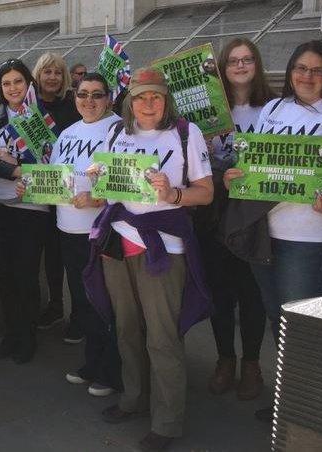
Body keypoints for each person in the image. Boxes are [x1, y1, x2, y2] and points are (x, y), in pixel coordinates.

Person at [223, 40, 322, 422]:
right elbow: (253, 162)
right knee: (278, 316)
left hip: (311, 235)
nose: (307, 76)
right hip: (264, 228)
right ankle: (291, 398)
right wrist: (235, 175)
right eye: (300, 68)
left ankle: (310, 407)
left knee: (301, 321)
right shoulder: (273, 108)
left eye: (317, 70)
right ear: (290, 71)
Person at [86, 67, 213, 450]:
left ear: (166, 100)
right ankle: (133, 397)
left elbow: (205, 193)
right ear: (129, 101)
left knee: (161, 337)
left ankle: (167, 420)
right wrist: (96, 178)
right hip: (117, 242)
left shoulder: (186, 134)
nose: (148, 104)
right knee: (126, 328)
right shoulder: (115, 133)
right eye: (141, 96)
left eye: (155, 96)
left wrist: (173, 194)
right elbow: (106, 186)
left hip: (163, 245)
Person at [17, 72, 123, 396]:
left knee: (106, 302)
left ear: (109, 98)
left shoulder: (119, 128)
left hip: (102, 229)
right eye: (82, 94)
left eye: (97, 94)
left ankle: (111, 370)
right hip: (68, 228)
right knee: (82, 299)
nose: (89, 101)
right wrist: (31, 187)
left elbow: (128, 180)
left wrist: (98, 198)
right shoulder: (67, 133)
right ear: (74, 97)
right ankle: (92, 362)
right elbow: (58, 179)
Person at [197, 38, 272, 400]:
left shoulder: (273, 110)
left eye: (247, 60)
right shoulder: (209, 112)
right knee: (219, 291)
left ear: (257, 65)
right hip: (214, 212)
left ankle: (252, 364)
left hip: (255, 215)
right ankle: (225, 359)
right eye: (233, 61)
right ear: (222, 69)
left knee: (252, 291)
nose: (240, 66)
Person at [0, 59, 49, 364]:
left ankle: (28, 335)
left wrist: (11, 164)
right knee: (4, 275)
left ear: (28, 83)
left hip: (33, 207)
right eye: (6, 83)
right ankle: (12, 332)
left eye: (18, 81)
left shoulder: (41, 117)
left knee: (27, 275)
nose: (12, 88)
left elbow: (53, 158)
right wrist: (15, 170)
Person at [32, 52, 83, 343]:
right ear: (38, 76)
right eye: (46, 71)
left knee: (72, 258)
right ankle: (55, 306)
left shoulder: (72, 106)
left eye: (57, 72)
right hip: (42, 189)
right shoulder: (31, 108)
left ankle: (79, 314)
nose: (52, 77)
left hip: (72, 193)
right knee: (51, 255)